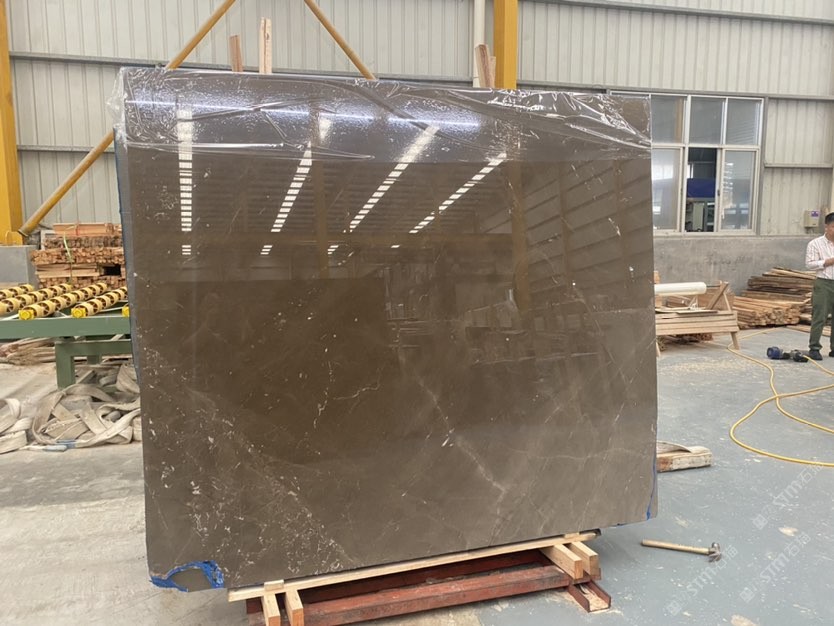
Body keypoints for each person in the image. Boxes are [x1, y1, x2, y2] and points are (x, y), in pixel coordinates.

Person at [805, 212, 834, 360]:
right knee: (819, 316)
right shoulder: (815, 244)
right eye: (833, 227)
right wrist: (828, 261)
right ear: (826, 227)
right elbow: (809, 264)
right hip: (824, 283)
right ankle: (814, 347)